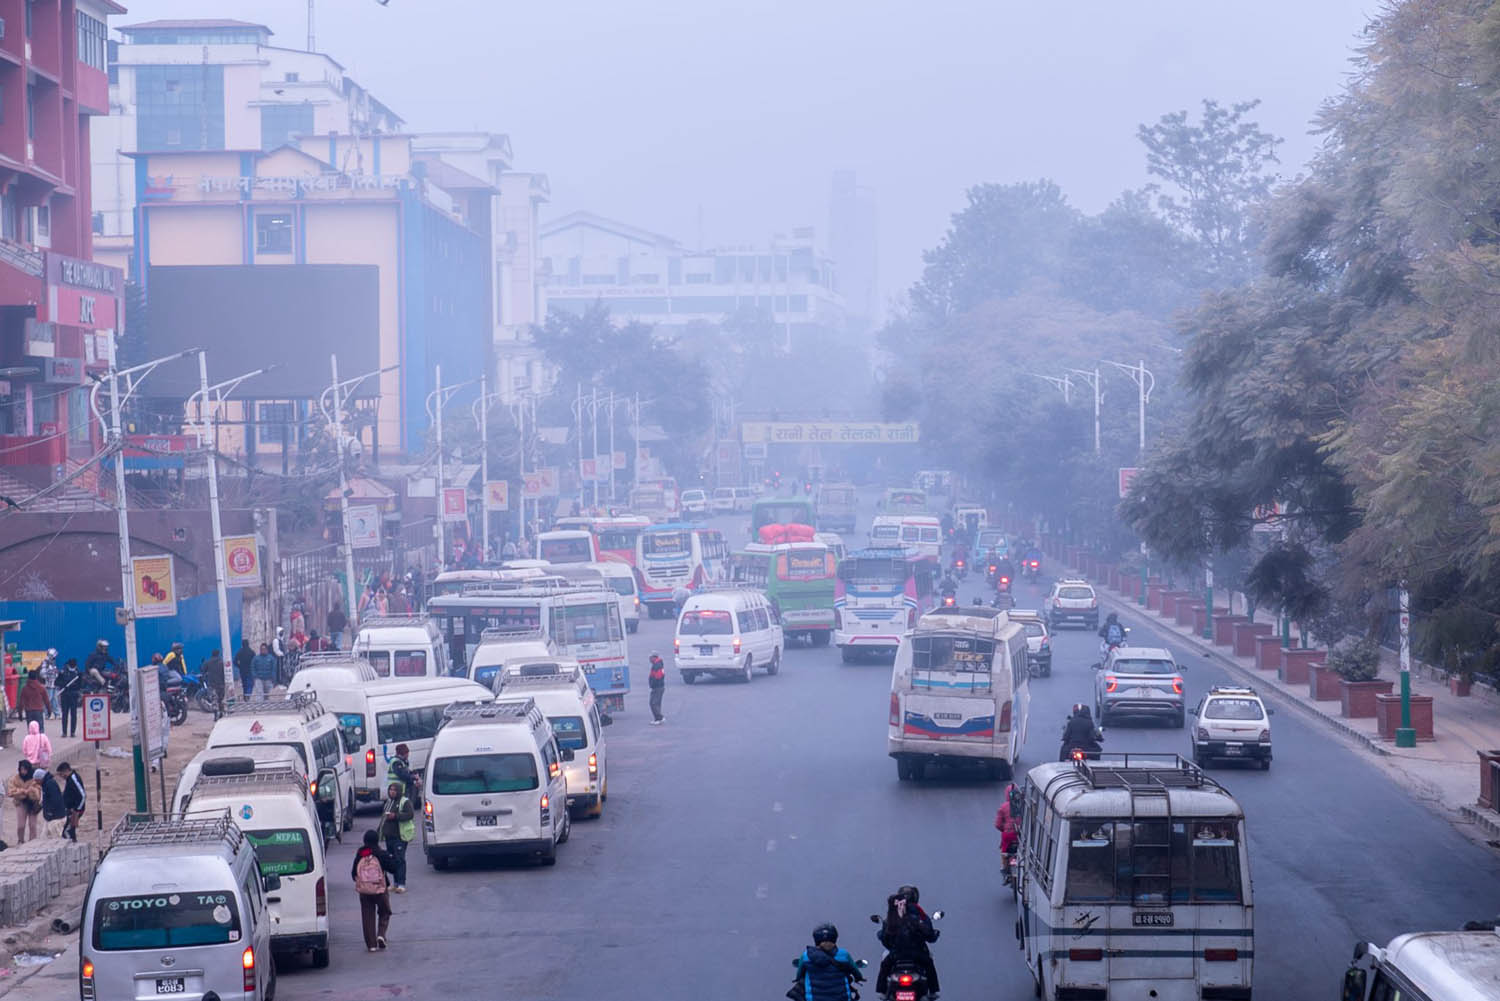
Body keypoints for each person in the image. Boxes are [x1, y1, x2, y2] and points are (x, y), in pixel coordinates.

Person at [876, 885, 941, 997]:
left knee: (884, 966)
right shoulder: (920, 915)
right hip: (917, 955)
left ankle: (882, 991)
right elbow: (930, 936)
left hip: (896, 955)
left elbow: (885, 937)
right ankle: (933, 991)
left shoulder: (892, 916)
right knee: (929, 964)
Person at [789, 923, 864, 1001]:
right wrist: (859, 978)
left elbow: (799, 974)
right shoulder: (844, 955)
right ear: (834, 938)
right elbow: (855, 971)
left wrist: (797, 978)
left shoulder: (806, 956)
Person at [352, 829, 397, 952]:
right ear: (377, 840)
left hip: (364, 891)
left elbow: (353, 873)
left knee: (367, 916)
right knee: (385, 912)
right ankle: (381, 935)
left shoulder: (361, 853)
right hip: (380, 890)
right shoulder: (380, 853)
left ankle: (371, 945)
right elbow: (393, 868)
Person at [379, 781, 415, 894]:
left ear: (399, 791)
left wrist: (396, 816)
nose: (392, 792)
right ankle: (394, 883)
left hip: (400, 836)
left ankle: (401, 883)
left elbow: (410, 814)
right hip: (389, 837)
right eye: (390, 790)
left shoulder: (405, 802)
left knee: (400, 859)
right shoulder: (388, 802)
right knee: (392, 860)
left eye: (394, 790)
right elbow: (383, 818)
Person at [6, 760, 41, 844]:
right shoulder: (15, 778)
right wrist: (22, 791)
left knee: (32, 825)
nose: (23, 772)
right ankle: (20, 840)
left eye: (25, 769)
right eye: (21, 769)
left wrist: (30, 792)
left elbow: (38, 792)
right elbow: (10, 792)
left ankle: (32, 842)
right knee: (21, 825)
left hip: (32, 803)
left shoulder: (34, 778)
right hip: (20, 803)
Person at [56, 762, 85, 842]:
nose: (62, 777)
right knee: (70, 830)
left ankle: (72, 847)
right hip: (71, 810)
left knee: (67, 832)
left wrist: (76, 811)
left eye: (61, 774)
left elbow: (82, 795)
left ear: (66, 771)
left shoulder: (74, 779)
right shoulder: (69, 779)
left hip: (75, 810)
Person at [34, 765, 65, 838]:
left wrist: (50, 812)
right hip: (49, 818)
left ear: (40, 778)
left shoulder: (50, 784)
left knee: (57, 838)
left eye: (36, 780)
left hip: (56, 818)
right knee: (43, 838)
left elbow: (56, 799)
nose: (36, 783)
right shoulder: (45, 784)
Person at [56, 659, 83, 739]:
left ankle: (72, 732)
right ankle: (64, 732)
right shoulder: (63, 672)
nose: (73, 667)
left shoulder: (78, 673)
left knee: (73, 714)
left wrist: (75, 686)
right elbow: (57, 682)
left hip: (74, 696)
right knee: (65, 714)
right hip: (65, 695)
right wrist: (64, 685)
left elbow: (80, 684)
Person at [201, 648, 225, 714]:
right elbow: (224, 673)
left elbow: (203, 670)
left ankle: (215, 713)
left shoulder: (208, 662)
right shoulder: (221, 662)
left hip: (212, 684)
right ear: (218, 654)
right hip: (221, 684)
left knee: (214, 699)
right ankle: (221, 712)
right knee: (220, 699)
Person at [39, 649, 58, 719]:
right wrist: (48, 676)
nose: (55, 658)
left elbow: (55, 672)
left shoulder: (53, 662)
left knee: (54, 699)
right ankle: (47, 714)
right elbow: (42, 673)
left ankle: (57, 713)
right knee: (48, 699)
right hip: (48, 684)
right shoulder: (45, 662)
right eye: (54, 656)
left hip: (54, 683)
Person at [647, 653, 666, 725]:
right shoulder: (657, 664)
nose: (649, 659)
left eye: (650, 657)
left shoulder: (657, 666)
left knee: (653, 703)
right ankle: (657, 719)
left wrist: (653, 684)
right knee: (656, 703)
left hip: (657, 687)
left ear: (654, 657)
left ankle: (659, 718)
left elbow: (658, 677)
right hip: (658, 687)